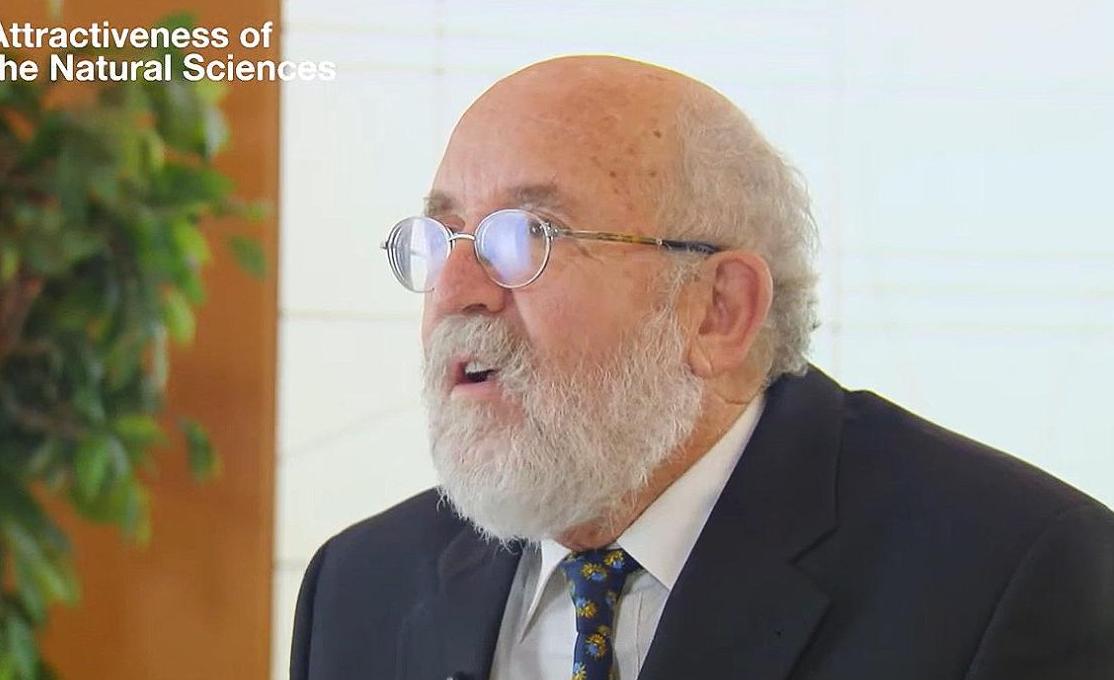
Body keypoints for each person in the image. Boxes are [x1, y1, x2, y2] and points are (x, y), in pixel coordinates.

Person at [289, 55, 1114, 680]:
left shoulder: (1016, 574)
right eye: (441, 240)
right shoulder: (358, 589)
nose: (455, 292)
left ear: (719, 310)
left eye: (524, 238)